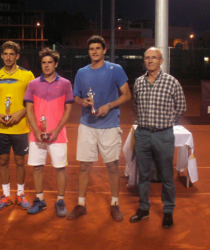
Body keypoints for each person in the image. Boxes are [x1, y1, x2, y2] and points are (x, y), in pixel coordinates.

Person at [67, 35, 131, 221]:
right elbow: (76, 98)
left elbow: (126, 95)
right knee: (85, 165)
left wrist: (109, 105)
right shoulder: (81, 72)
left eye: (97, 48)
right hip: (87, 125)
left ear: (104, 50)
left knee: (112, 166)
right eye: (91, 48)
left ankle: (115, 204)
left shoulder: (115, 69)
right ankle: (81, 204)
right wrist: (83, 102)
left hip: (110, 125)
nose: (94, 51)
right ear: (88, 52)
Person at [130, 47, 186, 229]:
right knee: (144, 174)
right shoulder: (138, 82)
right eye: (147, 58)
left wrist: (168, 122)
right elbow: (136, 104)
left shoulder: (172, 82)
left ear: (161, 61)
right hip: (143, 133)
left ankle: (168, 211)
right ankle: (144, 208)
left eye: (154, 58)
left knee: (166, 175)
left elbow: (181, 107)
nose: (150, 61)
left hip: (163, 134)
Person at [24, 48, 74, 217]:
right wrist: (36, 130)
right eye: (44, 63)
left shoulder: (66, 84)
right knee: (37, 167)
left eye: (50, 62)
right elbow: (29, 109)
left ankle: (60, 201)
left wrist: (57, 129)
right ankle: (40, 200)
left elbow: (68, 110)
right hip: (37, 135)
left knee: (60, 168)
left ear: (56, 64)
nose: (46, 65)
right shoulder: (32, 84)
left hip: (58, 135)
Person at [0, 41, 35, 211]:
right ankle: (6, 195)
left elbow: (31, 101)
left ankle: (20, 194)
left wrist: (20, 114)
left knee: (20, 161)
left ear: (17, 56)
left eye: (11, 54)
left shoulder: (27, 75)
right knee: (3, 161)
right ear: (2, 56)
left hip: (20, 126)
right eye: (5, 54)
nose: (8, 57)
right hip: (0, 128)